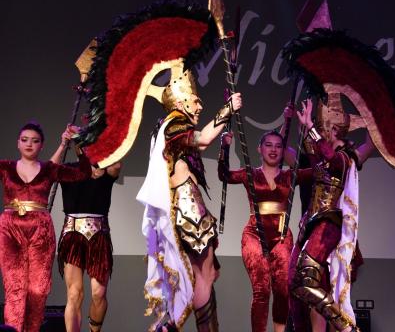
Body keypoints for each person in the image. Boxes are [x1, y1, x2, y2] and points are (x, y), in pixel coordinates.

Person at [137, 63, 242, 332]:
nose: (199, 107)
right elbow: (204, 139)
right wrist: (228, 108)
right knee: (204, 277)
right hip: (187, 208)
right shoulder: (174, 126)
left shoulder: (166, 128)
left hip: (186, 207)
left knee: (205, 275)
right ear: (181, 101)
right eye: (195, 101)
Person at [288, 98, 374, 332]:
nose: (321, 128)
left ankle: (348, 329)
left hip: (330, 226)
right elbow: (313, 153)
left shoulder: (346, 158)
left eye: (324, 125)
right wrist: (303, 125)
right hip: (312, 225)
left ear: (335, 129)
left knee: (311, 283)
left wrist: (310, 129)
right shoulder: (320, 157)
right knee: (294, 285)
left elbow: (330, 157)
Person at [0, 122, 90, 331]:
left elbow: (83, 173)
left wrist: (77, 144)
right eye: (24, 140)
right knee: (15, 289)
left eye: (35, 141)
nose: (29, 144)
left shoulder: (49, 169)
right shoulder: (5, 167)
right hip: (10, 229)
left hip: (40, 230)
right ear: (18, 144)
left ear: (42, 145)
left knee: (38, 290)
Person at [218, 129, 311, 332]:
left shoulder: (290, 176)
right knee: (261, 290)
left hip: (281, 235)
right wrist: (224, 147)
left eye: (278, 146)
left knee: (283, 289)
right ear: (259, 149)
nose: (273, 149)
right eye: (268, 145)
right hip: (254, 235)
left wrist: (309, 127)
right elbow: (223, 175)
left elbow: (319, 170)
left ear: (283, 151)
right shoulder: (250, 173)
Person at [50, 126, 121, 332]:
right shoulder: (70, 169)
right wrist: (64, 143)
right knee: (74, 294)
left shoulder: (105, 169)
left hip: (98, 234)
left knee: (99, 293)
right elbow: (48, 171)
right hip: (73, 234)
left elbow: (116, 165)